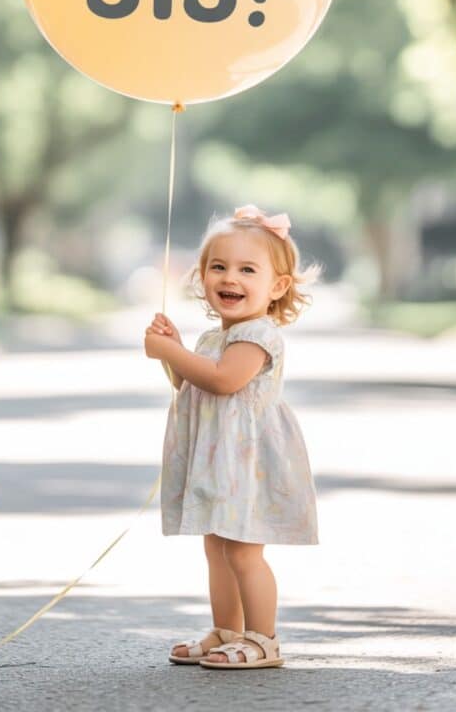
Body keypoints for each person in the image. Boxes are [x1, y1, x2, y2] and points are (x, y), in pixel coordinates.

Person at [144, 203, 322, 669]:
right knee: (216, 547)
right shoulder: (211, 340)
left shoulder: (257, 336)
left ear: (277, 286)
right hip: (219, 460)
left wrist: (170, 351)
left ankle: (263, 639)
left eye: (248, 269)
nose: (231, 278)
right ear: (201, 276)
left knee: (243, 552)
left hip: (248, 462)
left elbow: (224, 381)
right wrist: (174, 353)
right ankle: (228, 630)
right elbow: (192, 385)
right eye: (218, 267)